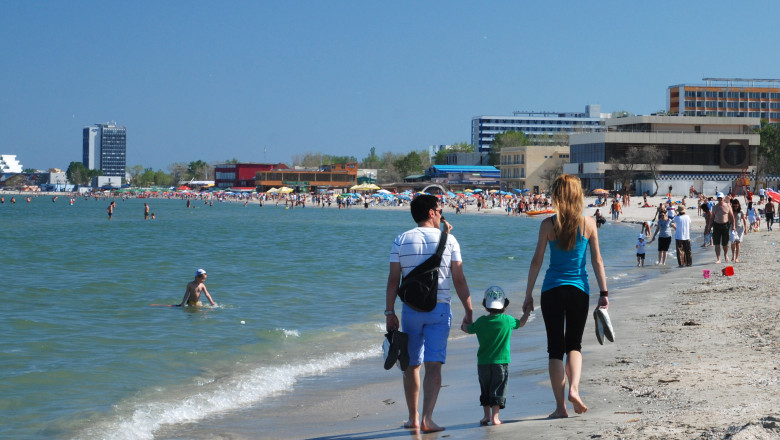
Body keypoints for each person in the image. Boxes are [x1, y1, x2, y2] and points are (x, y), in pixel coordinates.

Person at [385, 194, 473, 432]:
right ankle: (427, 419)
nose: (442, 212)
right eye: (439, 209)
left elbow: (394, 281)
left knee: (411, 365)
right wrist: (469, 309)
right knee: (434, 366)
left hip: (411, 311)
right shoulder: (450, 241)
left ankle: (413, 418)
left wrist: (389, 312)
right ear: (432, 212)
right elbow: (459, 279)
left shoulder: (401, 240)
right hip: (439, 309)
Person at [523, 174, 609, 419]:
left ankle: (560, 408)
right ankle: (574, 389)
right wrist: (604, 292)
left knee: (554, 349)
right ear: (578, 196)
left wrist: (528, 294)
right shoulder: (588, 223)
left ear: (557, 197)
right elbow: (597, 260)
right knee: (574, 344)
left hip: (551, 291)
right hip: (578, 290)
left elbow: (537, 261)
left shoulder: (548, 225)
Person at [466, 286, 529, 426]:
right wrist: (528, 311)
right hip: (501, 362)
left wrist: (467, 318)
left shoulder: (481, 321)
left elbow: (467, 329)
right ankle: (495, 417)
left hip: (483, 363)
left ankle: (486, 416)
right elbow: (522, 323)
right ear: (505, 304)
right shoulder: (507, 320)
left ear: (485, 304)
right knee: (498, 388)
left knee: (485, 388)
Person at [707, 192, 736, 263]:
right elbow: (712, 218)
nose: (720, 200)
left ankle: (725, 254)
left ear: (723, 198)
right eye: (718, 198)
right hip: (716, 225)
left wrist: (734, 226)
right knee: (716, 243)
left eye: (721, 198)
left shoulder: (728, 206)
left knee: (725, 243)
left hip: (725, 225)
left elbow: (732, 217)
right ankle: (718, 259)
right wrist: (709, 227)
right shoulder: (715, 207)